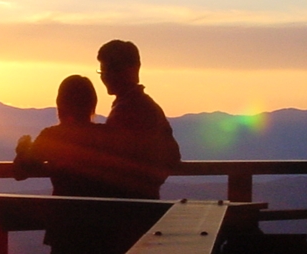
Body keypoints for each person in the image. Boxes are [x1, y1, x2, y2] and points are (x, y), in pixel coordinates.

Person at [13, 75, 115, 253]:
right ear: (92, 103)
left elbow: (20, 172)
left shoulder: (53, 136)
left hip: (64, 224)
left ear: (61, 103)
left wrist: (22, 150)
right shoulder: (105, 135)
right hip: (101, 224)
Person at [96, 39, 181, 200]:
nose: (105, 77)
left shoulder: (127, 110)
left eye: (110, 70)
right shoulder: (149, 107)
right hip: (145, 202)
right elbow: (173, 155)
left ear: (131, 69)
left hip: (130, 208)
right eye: (102, 72)